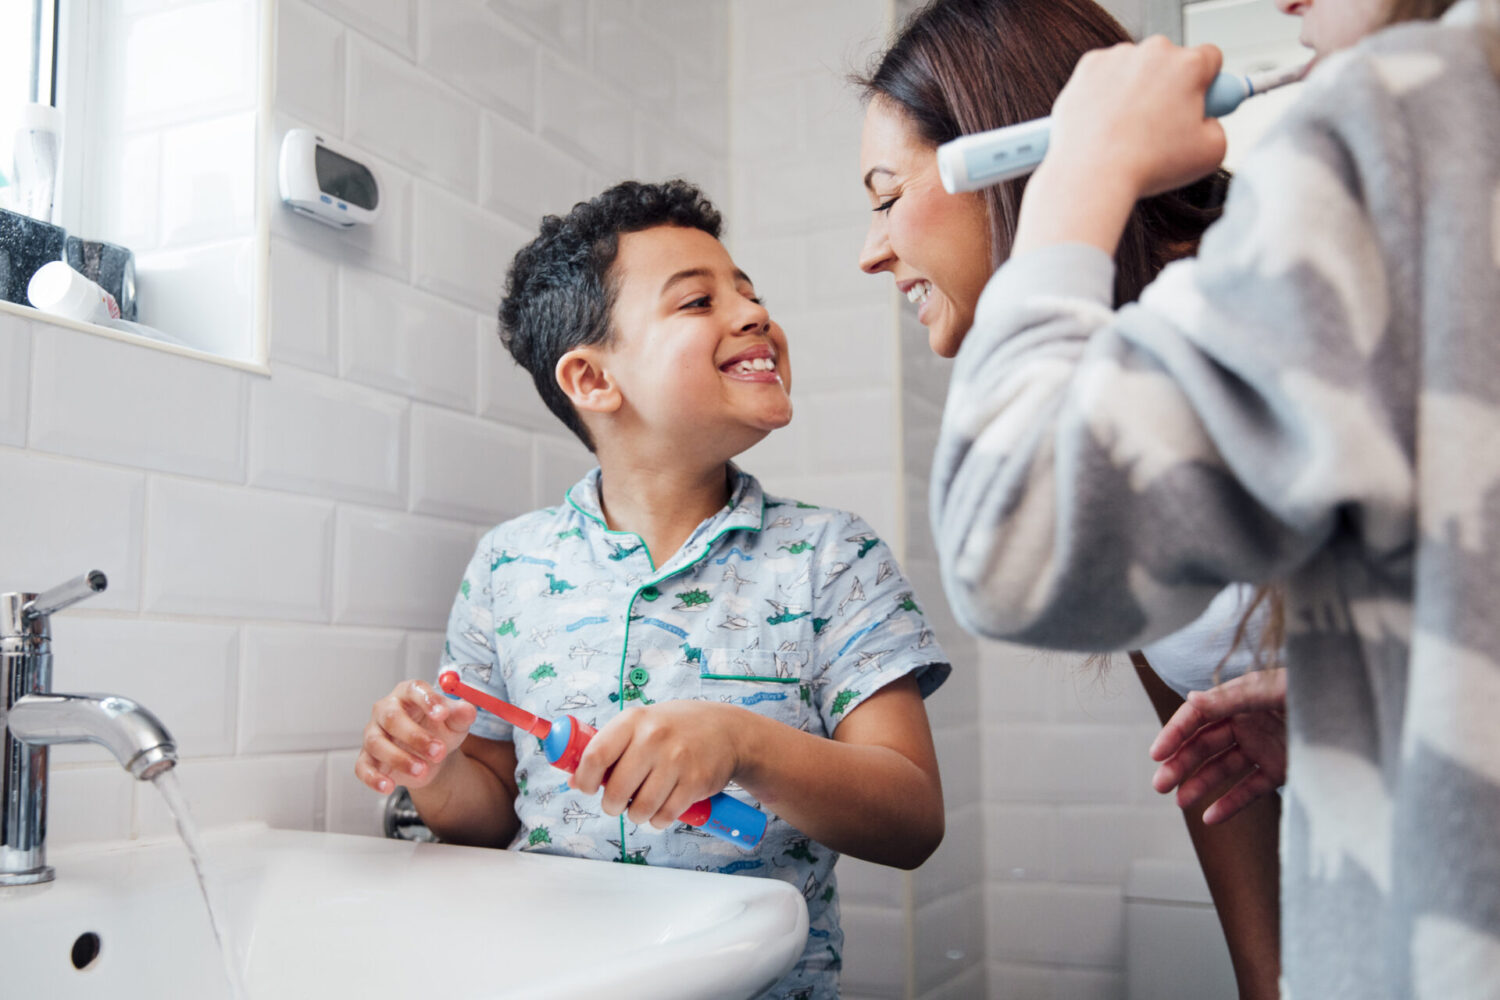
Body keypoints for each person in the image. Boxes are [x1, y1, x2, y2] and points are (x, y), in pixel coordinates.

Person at [928, 0, 1500, 993]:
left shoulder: (1407, 111)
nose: (1289, 1)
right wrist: (1360, 698)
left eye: (887, 194)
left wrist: (1080, 175)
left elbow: (1010, 540)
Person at [356, 180, 950, 1000]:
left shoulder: (831, 558)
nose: (751, 314)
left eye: (750, 292)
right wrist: (434, 772)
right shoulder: (507, 567)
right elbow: (491, 812)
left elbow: (912, 820)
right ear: (593, 380)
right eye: (698, 300)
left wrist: (743, 744)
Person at [856, 1, 1281, 995]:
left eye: (886, 195)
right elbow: (1218, 768)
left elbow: (1003, 560)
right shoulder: (1103, 395)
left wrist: (1078, 177)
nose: (871, 250)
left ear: (1014, 157)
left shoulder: (1248, 308)